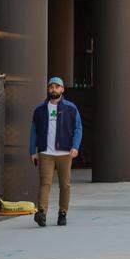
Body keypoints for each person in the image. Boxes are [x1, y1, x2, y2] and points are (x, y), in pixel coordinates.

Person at [28, 76, 82, 228]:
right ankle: (42, 213)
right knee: (45, 184)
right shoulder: (39, 110)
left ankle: (62, 213)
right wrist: (33, 151)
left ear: (62, 89)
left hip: (65, 153)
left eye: (57, 87)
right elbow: (34, 131)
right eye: (51, 87)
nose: (54, 89)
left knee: (65, 185)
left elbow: (78, 128)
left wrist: (75, 146)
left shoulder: (71, 108)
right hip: (46, 153)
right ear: (48, 89)